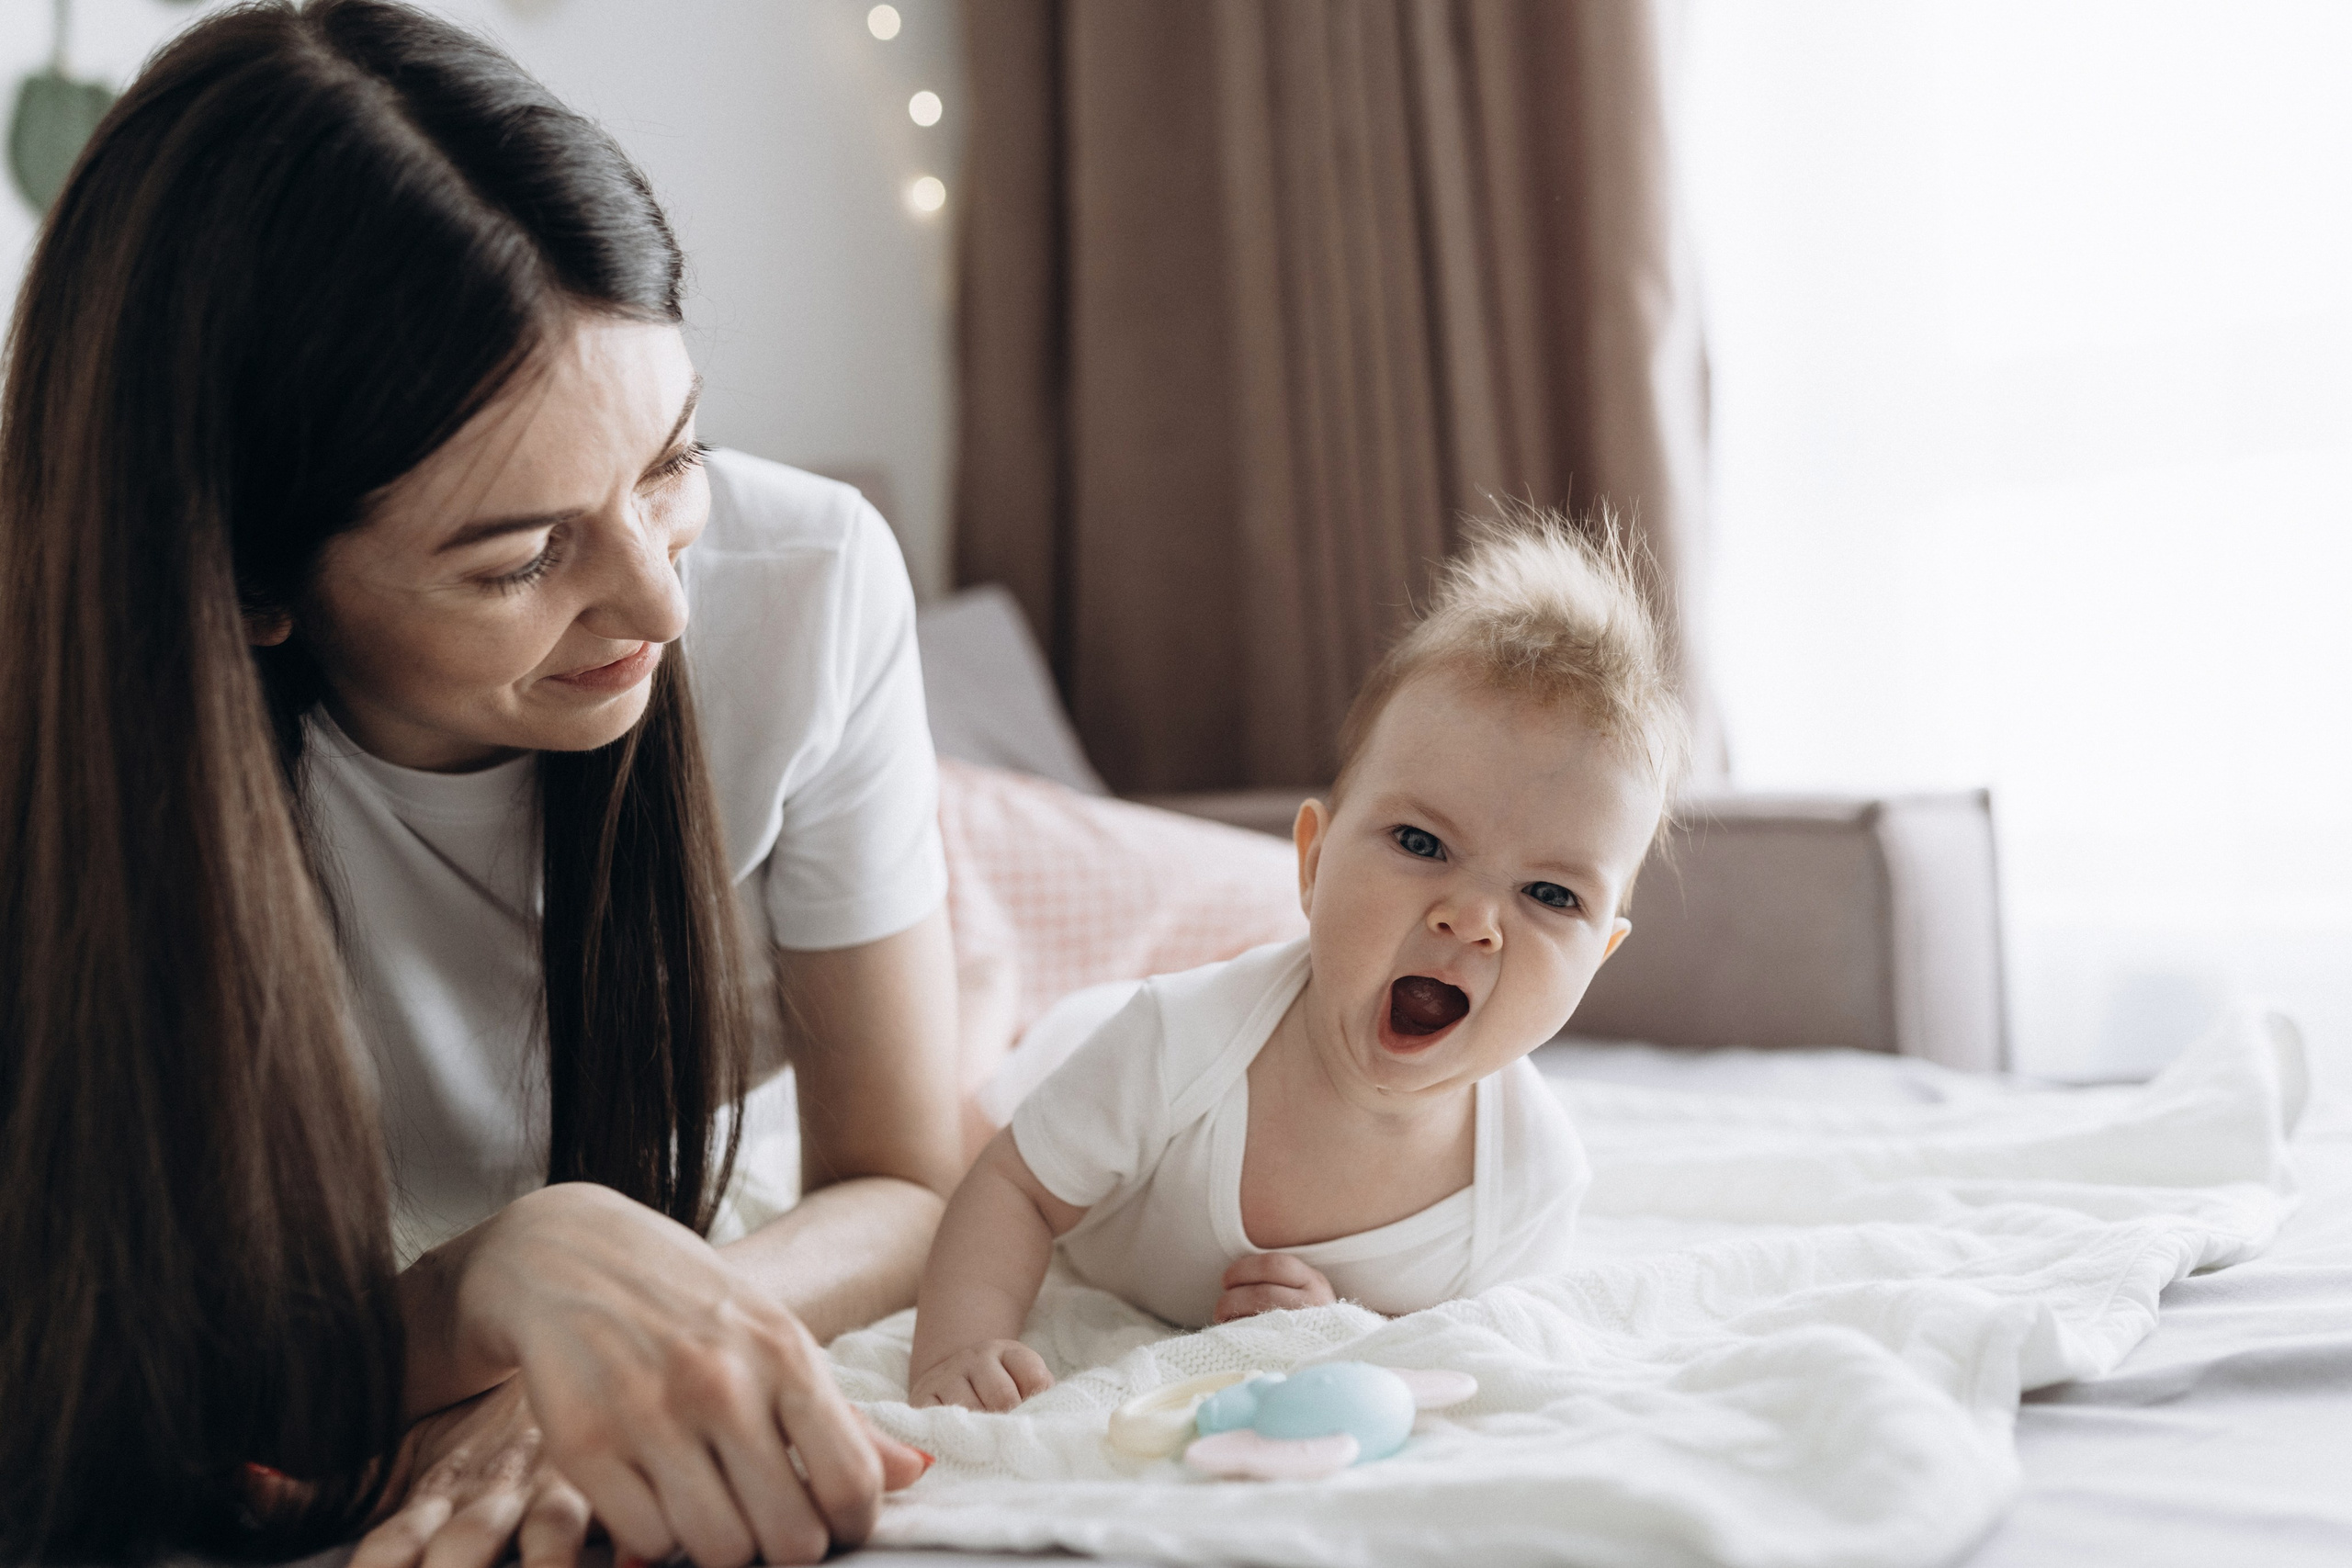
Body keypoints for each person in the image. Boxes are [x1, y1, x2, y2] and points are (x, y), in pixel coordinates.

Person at [0, 4, 959, 1564]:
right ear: (243, 578)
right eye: (522, 555)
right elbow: (91, 1361)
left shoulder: (811, 584)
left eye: (673, 461)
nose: (661, 603)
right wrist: (494, 1284)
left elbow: (911, 1174)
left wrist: (592, 1356)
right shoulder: (58, 724)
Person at [908, 517, 1686, 1411]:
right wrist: (957, 1347)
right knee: (947, 1150)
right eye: (1421, 842)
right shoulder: (1175, 1039)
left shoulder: (1528, 1185)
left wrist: (1333, 1325)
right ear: (1312, 861)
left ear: (1601, 956)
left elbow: (1443, 1363)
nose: (1471, 920)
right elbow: (1013, 1190)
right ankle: (985, 1002)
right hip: (1076, 1052)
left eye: (1551, 896)